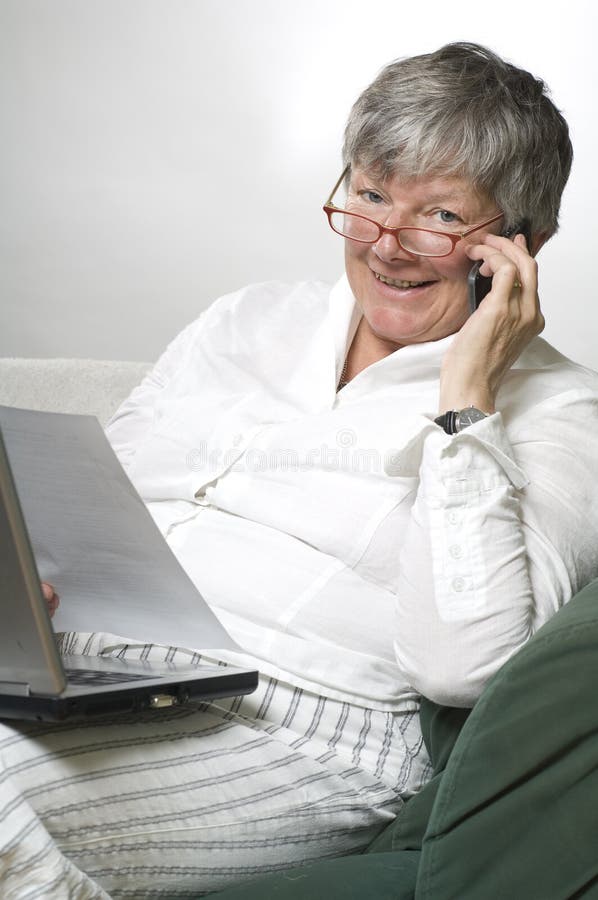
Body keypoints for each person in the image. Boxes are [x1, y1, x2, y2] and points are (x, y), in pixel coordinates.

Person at [2, 41, 598, 900]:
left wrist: (470, 393)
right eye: (369, 195)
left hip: (296, 726)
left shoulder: (562, 412)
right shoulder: (248, 319)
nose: (386, 245)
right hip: (82, 674)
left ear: (521, 243)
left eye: (438, 216)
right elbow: (95, 514)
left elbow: (461, 667)